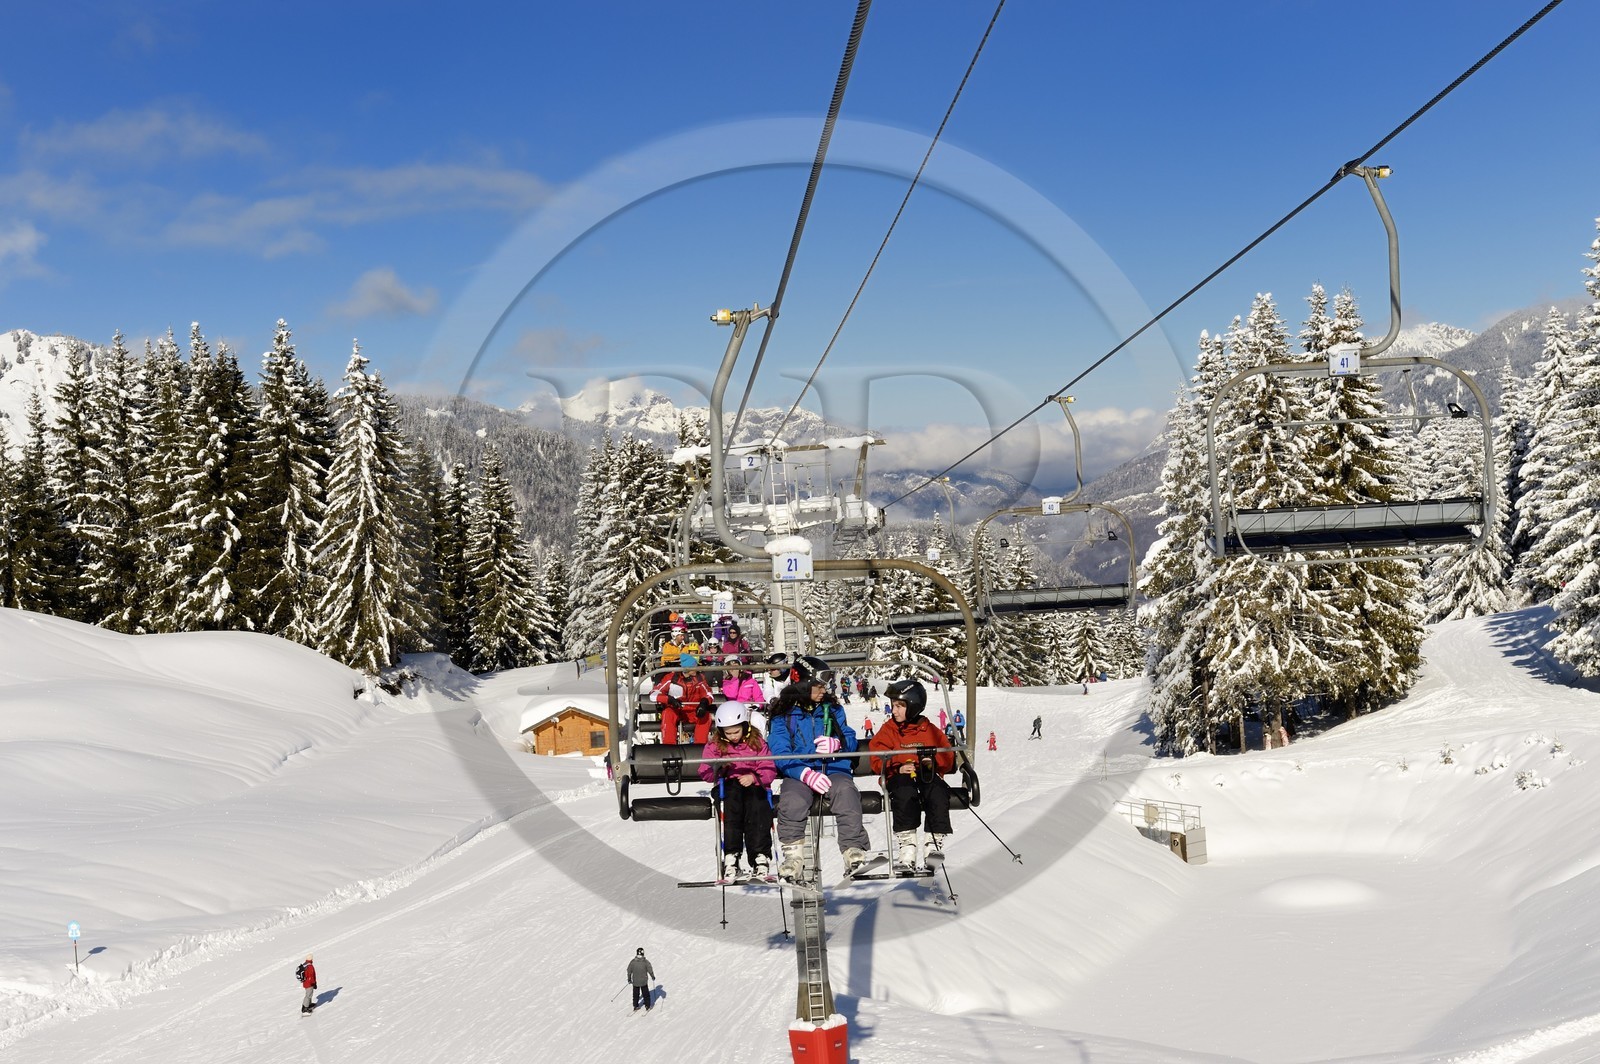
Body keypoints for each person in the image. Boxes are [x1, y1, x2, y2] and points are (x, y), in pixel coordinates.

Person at [768, 669, 871, 881]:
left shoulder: (832, 709)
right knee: (792, 799)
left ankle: (853, 851)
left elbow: (849, 736)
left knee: (845, 791)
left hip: (832, 767)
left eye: (825, 685)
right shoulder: (784, 716)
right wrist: (803, 773)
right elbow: (779, 750)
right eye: (818, 686)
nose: (824, 690)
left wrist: (838, 744)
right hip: (799, 770)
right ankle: (793, 858)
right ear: (803, 686)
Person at [868, 679, 955, 872]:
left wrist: (933, 762)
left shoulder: (930, 731)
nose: (894, 711)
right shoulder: (889, 730)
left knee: (938, 791)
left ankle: (933, 844)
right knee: (904, 792)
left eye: (900, 706)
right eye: (893, 706)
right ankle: (907, 848)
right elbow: (875, 758)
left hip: (926, 777)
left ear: (914, 706)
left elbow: (947, 757)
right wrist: (895, 767)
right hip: (899, 778)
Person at [698, 701, 777, 882]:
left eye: (736, 731)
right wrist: (718, 768)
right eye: (728, 733)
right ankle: (731, 857)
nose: (733, 736)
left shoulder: (757, 743)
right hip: (728, 788)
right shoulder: (715, 746)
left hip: (754, 786)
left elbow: (768, 767)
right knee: (732, 808)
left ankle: (760, 857)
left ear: (744, 726)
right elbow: (705, 771)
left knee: (756, 806)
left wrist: (755, 777)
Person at [653, 655, 715, 745]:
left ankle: (700, 747)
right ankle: (669, 746)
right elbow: (653, 694)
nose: (697, 669)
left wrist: (704, 702)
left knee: (705, 716)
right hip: (676, 709)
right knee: (668, 713)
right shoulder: (671, 679)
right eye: (694, 667)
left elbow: (708, 693)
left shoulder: (699, 679)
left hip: (693, 710)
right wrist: (669, 699)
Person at [628, 947, 655, 1011]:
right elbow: (650, 969)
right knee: (645, 994)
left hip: (635, 981)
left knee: (635, 994)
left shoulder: (633, 962)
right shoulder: (645, 962)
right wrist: (652, 976)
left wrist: (629, 978)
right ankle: (647, 1006)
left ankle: (635, 1006)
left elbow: (629, 970)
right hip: (643, 981)